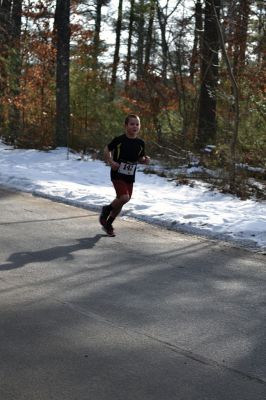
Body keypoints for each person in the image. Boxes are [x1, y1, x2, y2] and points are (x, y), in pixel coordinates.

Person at [99, 114, 150, 236]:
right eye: (132, 124)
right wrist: (111, 162)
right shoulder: (119, 140)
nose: (135, 126)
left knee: (122, 200)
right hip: (117, 173)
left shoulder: (140, 143)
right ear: (126, 126)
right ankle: (106, 210)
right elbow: (107, 149)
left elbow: (139, 158)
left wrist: (145, 160)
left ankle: (108, 224)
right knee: (124, 197)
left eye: (137, 124)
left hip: (130, 176)